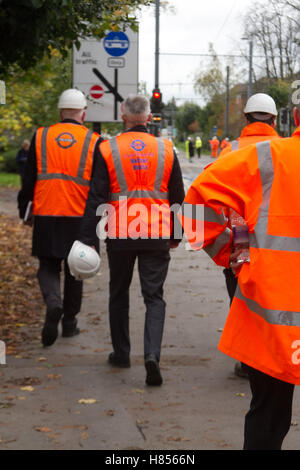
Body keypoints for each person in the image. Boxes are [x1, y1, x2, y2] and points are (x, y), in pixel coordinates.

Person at [178, 101, 300, 450]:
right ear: (277, 118)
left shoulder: (262, 155)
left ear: (293, 117)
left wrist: (232, 252)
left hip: (272, 315)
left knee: (268, 414)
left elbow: (196, 201)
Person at [79, 94, 185, 386]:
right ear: (149, 118)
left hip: (120, 233)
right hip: (156, 233)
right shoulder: (166, 148)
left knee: (118, 293)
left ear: (123, 116)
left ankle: (122, 353)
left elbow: (96, 196)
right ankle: (152, 355)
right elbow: (177, 195)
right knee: (154, 297)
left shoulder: (108, 148)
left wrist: (88, 237)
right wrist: (176, 234)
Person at [17, 88, 102, 347]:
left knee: (47, 264)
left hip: (46, 212)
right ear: (83, 113)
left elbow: (28, 178)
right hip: (80, 216)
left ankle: (53, 303)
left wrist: (25, 210)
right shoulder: (94, 140)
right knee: (77, 270)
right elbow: (99, 186)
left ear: (60, 111)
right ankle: (69, 323)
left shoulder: (41, 136)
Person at [219, 93, 281, 378]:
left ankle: (248, 361)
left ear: (245, 118)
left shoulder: (230, 149)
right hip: (276, 240)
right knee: (272, 298)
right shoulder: (286, 149)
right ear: (275, 119)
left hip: (240, 235)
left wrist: (221, 246)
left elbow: (212, 199)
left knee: (240, 298)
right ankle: (271, 355)